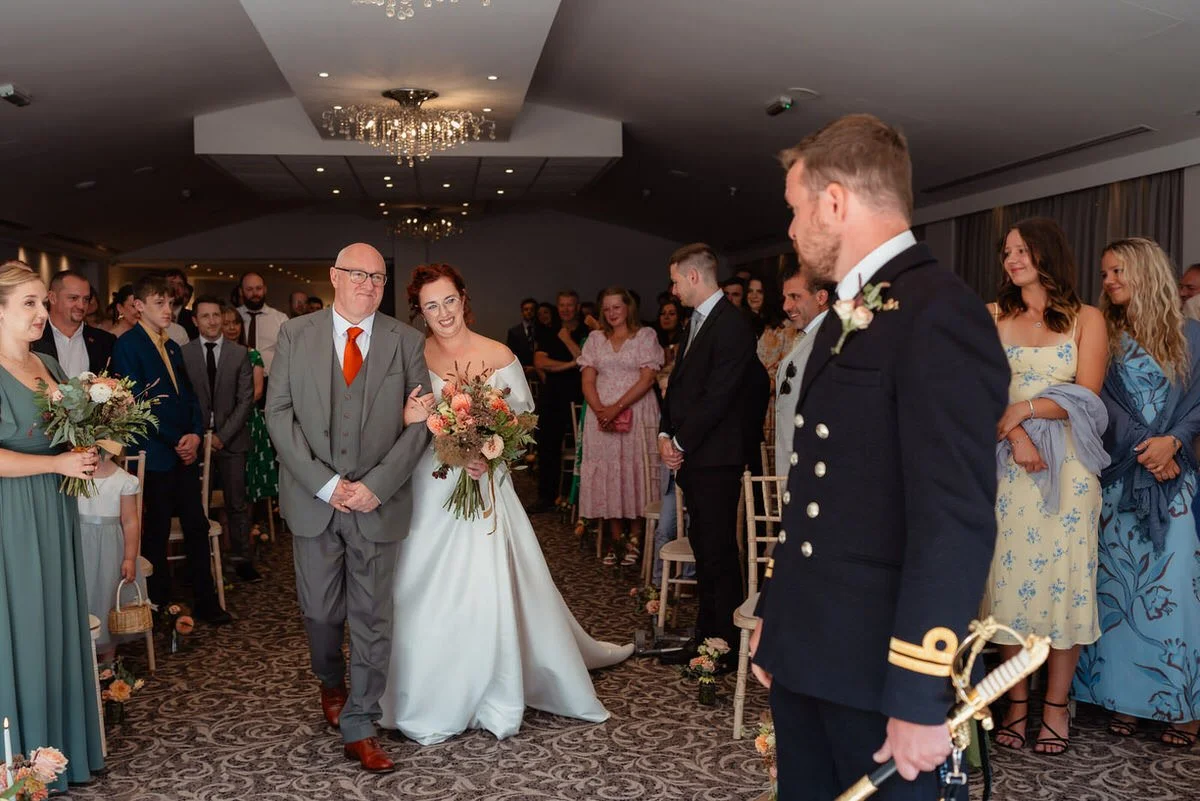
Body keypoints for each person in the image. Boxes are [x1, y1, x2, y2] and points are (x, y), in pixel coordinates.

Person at [748, 114, 1009, 801]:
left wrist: (921, 690)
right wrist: (780, 615)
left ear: (834, 202)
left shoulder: (939, 312)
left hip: (879, 668)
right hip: (813, 648)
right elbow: (822, 495)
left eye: (796, 209)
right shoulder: (846, 312)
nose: (793, 228)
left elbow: (953, 518)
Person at [379, 263, 633, 744]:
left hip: (484, 486)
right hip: (427, 486)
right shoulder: (413, 353)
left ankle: (493, 685)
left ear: (463, 296)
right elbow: (402, 416)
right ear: (421, 311)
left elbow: (520, 427)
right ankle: (423, 690)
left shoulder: (498, 354)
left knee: (484, 583)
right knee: (416, 584)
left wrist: (488, 454)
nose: (443, 313)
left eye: (449, 300)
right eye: (431, 306)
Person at [265, 243, 430, 773]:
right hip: (315, 501)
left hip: (377, 504)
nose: (369, 284)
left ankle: (362, 723)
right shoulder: (295, 334)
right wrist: (324, 483)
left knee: (372, 618)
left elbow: (421, 422)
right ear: (334, 276)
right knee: (319, 613)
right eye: (358, 274)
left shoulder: (407, 340)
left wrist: (376, 486)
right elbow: (279, 414)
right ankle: (330, 681)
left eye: (379, 278)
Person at [981, 218, 1109, 756]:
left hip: (1071, 473)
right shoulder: (991, 316)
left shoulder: (1088, 319)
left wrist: (1025, 409)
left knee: (1065, 585)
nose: (1011, 260)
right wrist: (1015, 433)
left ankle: (1055, 706)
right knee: (1008, 587)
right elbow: (976, 391)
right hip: (1009, 472)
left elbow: (1088, 397)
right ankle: (1015, 704)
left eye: (1021, 250)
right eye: (1007, 251)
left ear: (1047, 254)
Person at [1073, 237, 1200, 748]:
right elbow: (1096, 399)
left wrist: (1174, 442)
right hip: (1121, 478)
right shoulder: (1106, 333)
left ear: (1145, 271)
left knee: (1174, 592)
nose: (1108, 281)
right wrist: (1144, 447)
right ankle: (1121, 700)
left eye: (1117, 270)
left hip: (1176, 482)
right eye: (1104, 274)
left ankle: (1178, 705)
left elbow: (1198, 400)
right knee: (1114, 592)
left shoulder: (1191, 335)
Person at [0, 260, 105, 789]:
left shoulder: (49, 366)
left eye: (44, 303)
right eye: (30, 304)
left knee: (56, 620)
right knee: (20, 626)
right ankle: (17, 764)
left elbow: (70, 435)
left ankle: (57, 755)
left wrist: (93, 445)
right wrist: (56, 464)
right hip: (10, 515)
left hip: (54, 508)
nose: (43, 313)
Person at [659, 243, 769, 666]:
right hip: (695, 456)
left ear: (693, 276)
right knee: (705, 549)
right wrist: (666, 432)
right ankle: (705, 637)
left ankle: (723, 646)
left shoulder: (732, 325)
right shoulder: (699, 320)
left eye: (674, 280)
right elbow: (681, 384)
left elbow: (719, 396)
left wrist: (680, 442)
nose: (672, 290)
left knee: (719, 552)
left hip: (716, 457)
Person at [111, 275, 231, 626]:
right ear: (138, 306)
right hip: (156, 454)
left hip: (183, 452)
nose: (168, 310)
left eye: (170, 304)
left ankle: (206, 602)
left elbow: (190, 397)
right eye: (159, 303)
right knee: (157, 531)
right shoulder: (128, 346)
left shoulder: (173, 346)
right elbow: (134, 406)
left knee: (195, 526)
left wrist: (195, 434)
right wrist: (175, 440)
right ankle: (159, 606)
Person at [578, 287, 664, 566]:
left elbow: (648, 378)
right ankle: (616, 538)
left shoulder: (645, 336)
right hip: (601, 416)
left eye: (617, 307)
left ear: (628, 307)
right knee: (610, 474)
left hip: (637, 413)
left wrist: (616, 408)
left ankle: (636, 538)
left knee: (635, 470)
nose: (612, 313)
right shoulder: (594, 339)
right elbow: (588, 379)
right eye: (607, 308)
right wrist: (599, 410)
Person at [181, 297, 259, 583]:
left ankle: (242, 560)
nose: (212, 321)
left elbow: (246, 400)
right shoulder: (184, 353)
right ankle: (200, 564)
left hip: (232, 440)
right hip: (195, 440)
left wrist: (222, 437)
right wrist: (200, 436)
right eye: (205, 316)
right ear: (195, 320)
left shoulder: (240, 354)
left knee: (236, 503)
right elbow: (183, 398)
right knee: (195, 504)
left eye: (216, 315)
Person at [79, 451, 145, 663]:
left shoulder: (124, 481)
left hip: (109, 550)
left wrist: (129, 557)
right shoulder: (75, 475)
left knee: (106, 595)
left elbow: (130, 521)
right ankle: (82, 656)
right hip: (80, 545)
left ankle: (108, 660)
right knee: (83, 595)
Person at [772, 264, 834, 479]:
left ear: (821, 297)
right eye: (785, 298)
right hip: (794, 458)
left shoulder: (829, 337)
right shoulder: (807, 335)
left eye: (795, 297)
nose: (787, 306)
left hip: (812, 461)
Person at [221, 308, 277, 539]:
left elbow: (256, 392)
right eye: (227, 323)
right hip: (221, 422)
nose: (232, 327)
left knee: (250, 478)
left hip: (249, 421)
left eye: (236, 323)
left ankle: (251, 528)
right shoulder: (215, 354)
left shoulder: (252, 354)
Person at [533, 290, 588, 512]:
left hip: (580, 396)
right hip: (553, 396)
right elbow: (540, 361)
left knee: (582, 448)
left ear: (577, 307)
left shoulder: (588, 331)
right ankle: (547, 497)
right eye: (562, 305)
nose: (566, 309)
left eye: (570, 305)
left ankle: (578, 498)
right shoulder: (548, 330)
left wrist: (568, 343)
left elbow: (587, 360)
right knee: (547, 446)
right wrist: (570, 364)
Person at [32, 269, 115, 376]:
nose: (81, 305)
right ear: (52, 298)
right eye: (73, 298)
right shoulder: (33, 339)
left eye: (86, 299)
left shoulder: (105, 341)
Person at [237, 271, 289, 375]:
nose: (255, 293)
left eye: (258, 288)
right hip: (239, 379)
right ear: (241, 292)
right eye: (249, 289)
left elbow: (290, 353)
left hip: (270, 380)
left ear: (265, 290)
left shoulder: (281, 319)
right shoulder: (233, 317)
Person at [506, 297, 539, 379]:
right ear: (522, 311)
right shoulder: (514, 332)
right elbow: (511, 353)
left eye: (532, 309)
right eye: (526, 309)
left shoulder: (541, 330)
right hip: (521, 372)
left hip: (540, 371)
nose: (529, 312)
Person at [165, 268, 198, 340]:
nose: (176, 288)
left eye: (180, 284)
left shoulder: (193, 320)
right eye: (171, 283)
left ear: (184, 289)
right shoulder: (152, 316)